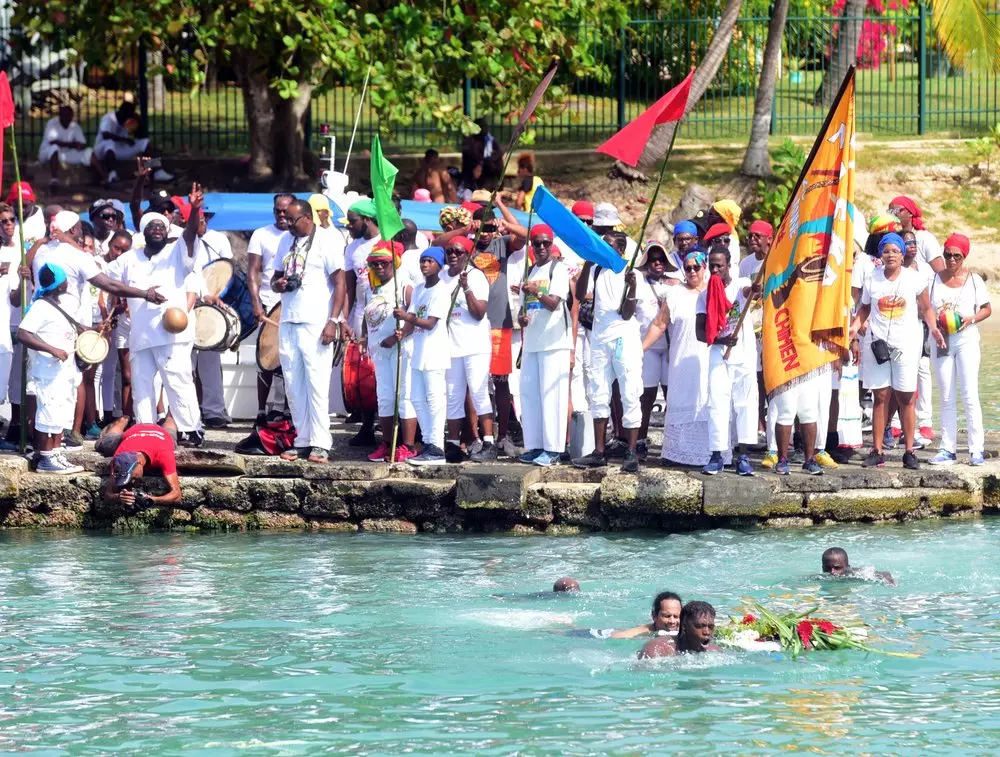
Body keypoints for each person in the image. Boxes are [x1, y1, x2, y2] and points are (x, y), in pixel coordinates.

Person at [105, 187, 204, 446]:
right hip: (141, 335)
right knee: (141, 385)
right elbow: (109, 282)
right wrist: (138, 294)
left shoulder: (177, 253)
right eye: (152, 226)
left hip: (171, 334)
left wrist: (194, 209)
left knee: (177, 381)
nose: (158, 229)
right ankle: (146, 429)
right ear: (144, 232)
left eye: (162, 226)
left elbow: (192, 234)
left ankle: (191, 430)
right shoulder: (129, 259)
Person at [850, 233, 945, 469]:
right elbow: (864, 308)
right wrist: (853, 328)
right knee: (880, 396)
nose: (890, 255)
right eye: (886, 251)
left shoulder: (914, 279)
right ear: (880, 255)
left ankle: (910, 451)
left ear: (902, 254)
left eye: (895, 251)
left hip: (906, 344)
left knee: (905, 397)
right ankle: (877, 450)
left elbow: (926, 308)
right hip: (878, 345)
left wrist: (933, 329)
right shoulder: (872, 279)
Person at [272, 199, 348, 464]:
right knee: (293, 384)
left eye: (292, 220)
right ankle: (302, 440)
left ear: (307, 217)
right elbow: (274, 278)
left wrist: (334, 320)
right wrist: (279, 284)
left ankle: (321, 443)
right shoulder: (285, 241)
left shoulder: (327, 241)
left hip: (317, 322)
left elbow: (340, 283)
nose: (288, 225)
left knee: (316, 383)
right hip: (289, 319)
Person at [572, 231, 641, 474]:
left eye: (608, 246)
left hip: (623, 338)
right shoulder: (597, 269)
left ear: (620, 250)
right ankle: (599, 452)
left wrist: (631, 288)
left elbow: (627, 313)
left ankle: (631, 452)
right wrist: (588, 263)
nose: (603, 249)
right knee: (598, 392)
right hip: (599, 338)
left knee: (629, 392)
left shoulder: (630, 271)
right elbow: (579, 296)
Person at [641, 251, 710, 466]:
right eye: (687, 268)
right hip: (680, 360)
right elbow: (659, 324)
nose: (691, 272)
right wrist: (640, 348)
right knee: (679, 401)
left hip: (706, 359)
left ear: (704, 267)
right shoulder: (675, 294)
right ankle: (676, 454)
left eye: (695, 267)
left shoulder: (713, 291)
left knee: (705, 401)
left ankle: (709, 454)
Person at [927, 233, 991, 466]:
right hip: (942, 342)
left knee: (969, 394)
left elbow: (986, 308)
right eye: (947, 255)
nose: (952, 260)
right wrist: (934, 328)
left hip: (966, 340)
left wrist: (970, 319)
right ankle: (947, 449)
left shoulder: (974, 280)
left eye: (957, 256)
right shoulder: (933, 279)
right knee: (945, 395)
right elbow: (926, 309)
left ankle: (976, 450)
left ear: (964, 256)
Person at [16, 263, 85, 474]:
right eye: (64, 278)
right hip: (48, 369)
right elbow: (23, 333)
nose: (67, 282)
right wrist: (52, 349)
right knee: (49, 409)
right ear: (59, 284)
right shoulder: (41, 307)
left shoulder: (60, 305)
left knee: (61, 411)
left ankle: (55, 453)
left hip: (64, 370)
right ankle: (46, 458)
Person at [697, 247, 758, 475]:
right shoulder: (704, 295)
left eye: (719, 266)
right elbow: (700, 333)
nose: (714, 270)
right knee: (717, 405)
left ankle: (742, 456)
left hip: (743, 355)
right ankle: (717, 455)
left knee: (745, 404)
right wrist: (722, 340)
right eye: (711, 265)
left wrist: (755, 289)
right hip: (719, 356)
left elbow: (750, 291)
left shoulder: (740, 284)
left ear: (728, 264)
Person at [517, 224, 572, 466]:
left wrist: (536, 293)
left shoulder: (557, 269)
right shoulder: (528, 271)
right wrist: (521, 318)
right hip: (531, 342)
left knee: (552, 396)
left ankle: (553, 449)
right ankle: (535, 445)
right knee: (530, 395)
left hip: (554, 342)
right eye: (536, 243)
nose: (540, 247)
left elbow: (553, 304)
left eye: (545, 243)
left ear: (551, 245)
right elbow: (523, 307)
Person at [394, 247, 452, 465]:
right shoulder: (418, 290)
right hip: (418, 352)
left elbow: (429, 323)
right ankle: (428, 442)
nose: (425, 265)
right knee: (417, 398)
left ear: (439, 265)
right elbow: (413, 321)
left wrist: (406, 315)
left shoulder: (441, 290)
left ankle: (437, 445)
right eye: (422, 261)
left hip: (435, 351)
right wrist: (403, 330)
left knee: (435, 399)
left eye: (429, 261)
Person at [440, 236, 495, 462]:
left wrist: (466, 288)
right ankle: (453, 444)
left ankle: (489, 443)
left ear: (468, 254)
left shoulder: (476, 276)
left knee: (479, 392)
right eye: (449, 251)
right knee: (453, 396)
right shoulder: (442, 276)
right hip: (451, 346)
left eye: (458, 251)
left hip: (475, 345)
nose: (453, 255)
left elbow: (479, 312)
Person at [362, 241, 418, 463]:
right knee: (384, 398)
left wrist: (399, 335)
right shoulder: (372, 288)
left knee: (403, 397)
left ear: (393, 263)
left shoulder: (405, 286)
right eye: (374, 263)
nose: (379, 267)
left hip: (401, 349)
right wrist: (366, 337)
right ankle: (386, 444)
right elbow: (367, 318)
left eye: (383, 263)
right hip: (379, 351)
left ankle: (409, 445)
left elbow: (414, 319)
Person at [248, 193, 294, 424]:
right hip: (267, 304)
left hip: (292, 305)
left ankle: (284, 409)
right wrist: (256, 305)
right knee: (264, 359)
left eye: (286, 210)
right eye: (278, 210)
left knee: (287, 360)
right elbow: (253, 272)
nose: (282, 215)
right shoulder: (261, 234)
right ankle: (261, 411)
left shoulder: (300, 234)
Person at [343, 199, 382, 444]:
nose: (349, 226)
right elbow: (348, 287)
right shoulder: (352, 248)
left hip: (385, 314)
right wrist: (345, 318)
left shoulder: (386, 242)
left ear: (367, 220)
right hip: (360, 314)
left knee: (384, 371)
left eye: (353, 221)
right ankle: (367, 426)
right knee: (364, 372)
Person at [635, 241, 676, 461]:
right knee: (646, 397)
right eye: (653, 259)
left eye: (661, 259)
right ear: (647, 263)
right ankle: (640, 440)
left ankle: (672, 442)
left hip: (670, 348)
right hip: (648, 347)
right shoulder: (639, 283)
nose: (658, 263)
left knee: (672, 396)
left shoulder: (675, 283)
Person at [97, 416, 182, 508]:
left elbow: (177, 495)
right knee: (103, 443)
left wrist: (152, 499)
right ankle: (122, 420)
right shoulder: (119, 457)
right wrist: (119, 497)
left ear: (139, 463)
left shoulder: (164, 454)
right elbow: (108, 495)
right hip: (134, 431)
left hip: (160, 433)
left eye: (132, 478)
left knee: (171, 433)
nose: (131, 482)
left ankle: (170, 418)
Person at [92, 100, 173, 185]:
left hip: (119, 150)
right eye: (127, 114)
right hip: (102, 150)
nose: (127, 117)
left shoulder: (127, 121)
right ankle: (111, 174)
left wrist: (139, 121)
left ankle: (157, 171)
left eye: (130, 115)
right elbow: (106, 135)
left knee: (145, 143)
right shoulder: (109, 118)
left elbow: (139, 136)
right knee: (109, 143)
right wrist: (124, 139)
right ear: (121, 111)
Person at [636, 601, 720, 658]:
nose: (707, 632)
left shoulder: (715, 652)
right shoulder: (657, 649)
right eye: (699, 626)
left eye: (711, 627)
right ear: (684, 626)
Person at [38, 106, 91, 189]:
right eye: (64, 115)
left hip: (67, 154)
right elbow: (53, 142)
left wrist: (76, 145)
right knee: (54, 148)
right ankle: (54, 179)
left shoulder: (74, 126)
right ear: (60, 116)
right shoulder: (52, 123)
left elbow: (83, 144)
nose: (67, 118)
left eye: (69, 116)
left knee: (89, 152)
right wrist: (74, 144)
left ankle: (105, 178)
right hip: (48, 153)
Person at [610, 591, 683, 639]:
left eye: (676, 616)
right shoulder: (645, 632)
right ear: (654, 616)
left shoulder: (685, 629)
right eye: (667, 616)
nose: (672, 621)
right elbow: (615, 636)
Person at [821, 547, 896, 586]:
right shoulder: (820, 578)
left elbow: (884, 574)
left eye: (837, 568)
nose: (832, 572)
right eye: (827, 568)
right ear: (822, 568)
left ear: (848, 567)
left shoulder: (856, 575)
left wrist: (888, 579)